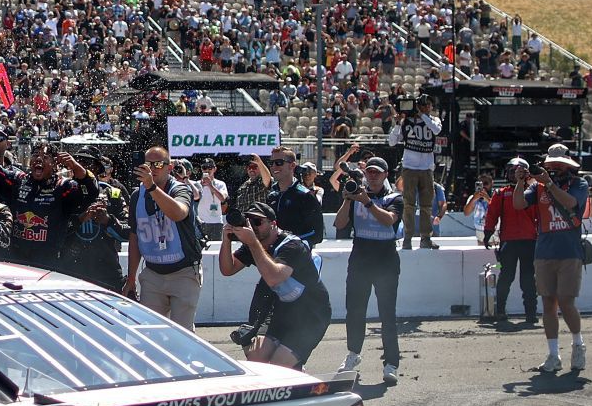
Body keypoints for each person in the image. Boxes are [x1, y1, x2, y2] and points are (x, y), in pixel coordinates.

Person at [221, 203, 331, 369]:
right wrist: (226, 239)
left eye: (257, 222)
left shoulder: (293, 246)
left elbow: (274, 278)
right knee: (257, 358)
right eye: (248, 222)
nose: (253, 227)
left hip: (310, 313)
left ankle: (295, 371)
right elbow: (227, 269)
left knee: (279, 364)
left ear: (273, 224)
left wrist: (253, 243)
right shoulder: (254, 245)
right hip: (281, 310)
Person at [333, 156, 404, 386]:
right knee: (354, 311)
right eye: (370, 171)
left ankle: (391, 363)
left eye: (377, 172)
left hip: (386, 262)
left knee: (387, 315)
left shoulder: (394, 198)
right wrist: (348, 200)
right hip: (360, 260)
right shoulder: (356, 195)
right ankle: (353, 354)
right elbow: (339, 224)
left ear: (385, 175)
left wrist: (367, 202)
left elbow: (389, 220)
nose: (372, 176)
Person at [522, 143, 590, 374]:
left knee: (566, 301)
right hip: (544, 252)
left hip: (569, 251)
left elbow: (571, 203)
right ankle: (553, 354)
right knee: (548, 303)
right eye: (551, 165)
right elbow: (519, 203)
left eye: (559, 165)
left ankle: (578, 344)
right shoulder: (538, 186)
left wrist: (549, 184)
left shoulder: (579, 184)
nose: (554, 169)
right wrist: (521, 182)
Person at [124, 146, 203, 329]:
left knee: (182, 333)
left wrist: (152, 187)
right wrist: (131, 278)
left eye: (158, 164)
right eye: (148, 164)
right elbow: (135, 237)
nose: (152, 168)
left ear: (170, 167)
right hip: (153, 272)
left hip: (183, 271)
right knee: (152, 333)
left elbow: (179, 213)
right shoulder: (137, 196)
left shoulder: (181, 189)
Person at [3, 145, 96, 272]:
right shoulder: (19, 180)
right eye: (35, 155)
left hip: (48, 265)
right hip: (16, 262)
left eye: (45, 157)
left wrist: (75, 167)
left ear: (55, 164)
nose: (39, 159)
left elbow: (91, 192)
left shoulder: (64, 186)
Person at [481, 158, 540, 327]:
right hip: (508, 242)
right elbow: (492, 214)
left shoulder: (533, 192)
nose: (514, 174)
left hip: (529, 241)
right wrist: (488, 232)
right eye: (512, 171)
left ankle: (531, 313)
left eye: (518, 171)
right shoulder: (501, 193)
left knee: (528, 279)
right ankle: (500, 311)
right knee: (506, 276)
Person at [62, 154, 129, 290]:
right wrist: (80, 219)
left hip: (107, 272)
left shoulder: (113, 193)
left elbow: (128, 232)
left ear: (97, 168)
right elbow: (53, 230)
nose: (80, 166)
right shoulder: (63, 191)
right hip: (70, 271)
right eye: (77, 162)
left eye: (86, 163)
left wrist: (108, 220)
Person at [389, 95, 442, 249]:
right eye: (423, 105)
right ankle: (407, 238)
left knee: (426, 205)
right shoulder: (406, 121)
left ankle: (426, 238)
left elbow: (436, 130)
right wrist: (398, 123)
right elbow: (392, 141)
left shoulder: (434, 120)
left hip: (426, 168)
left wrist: (422, 116)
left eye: (429, 105)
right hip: (410, 167)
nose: (426, 107)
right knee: (409, 205)